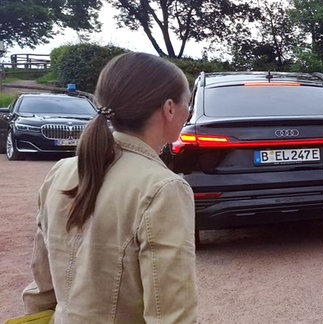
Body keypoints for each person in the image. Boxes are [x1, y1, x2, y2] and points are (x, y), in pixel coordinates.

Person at [21, 52, 199, 322]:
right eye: (189, 102)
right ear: (170, 108)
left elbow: (42, 288)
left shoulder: (61, 171)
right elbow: (172, 315)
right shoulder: (163, 188)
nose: (189, 112)